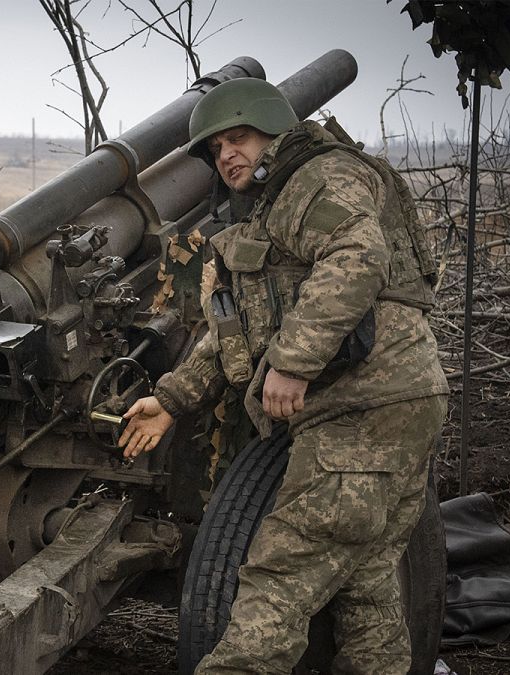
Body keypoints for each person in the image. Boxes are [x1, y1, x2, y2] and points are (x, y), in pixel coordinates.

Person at [119, 77, 449, 674]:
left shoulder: (317, 178)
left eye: (239, 138)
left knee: (278, 582)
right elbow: (236, 332)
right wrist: (169, 400)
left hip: (362, 409)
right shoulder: (270, 214)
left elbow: (358, 253)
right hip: (397, 401)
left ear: (276, 131)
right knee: (367, 586)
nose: (227, 157)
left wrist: (293, 363)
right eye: (217, 149)